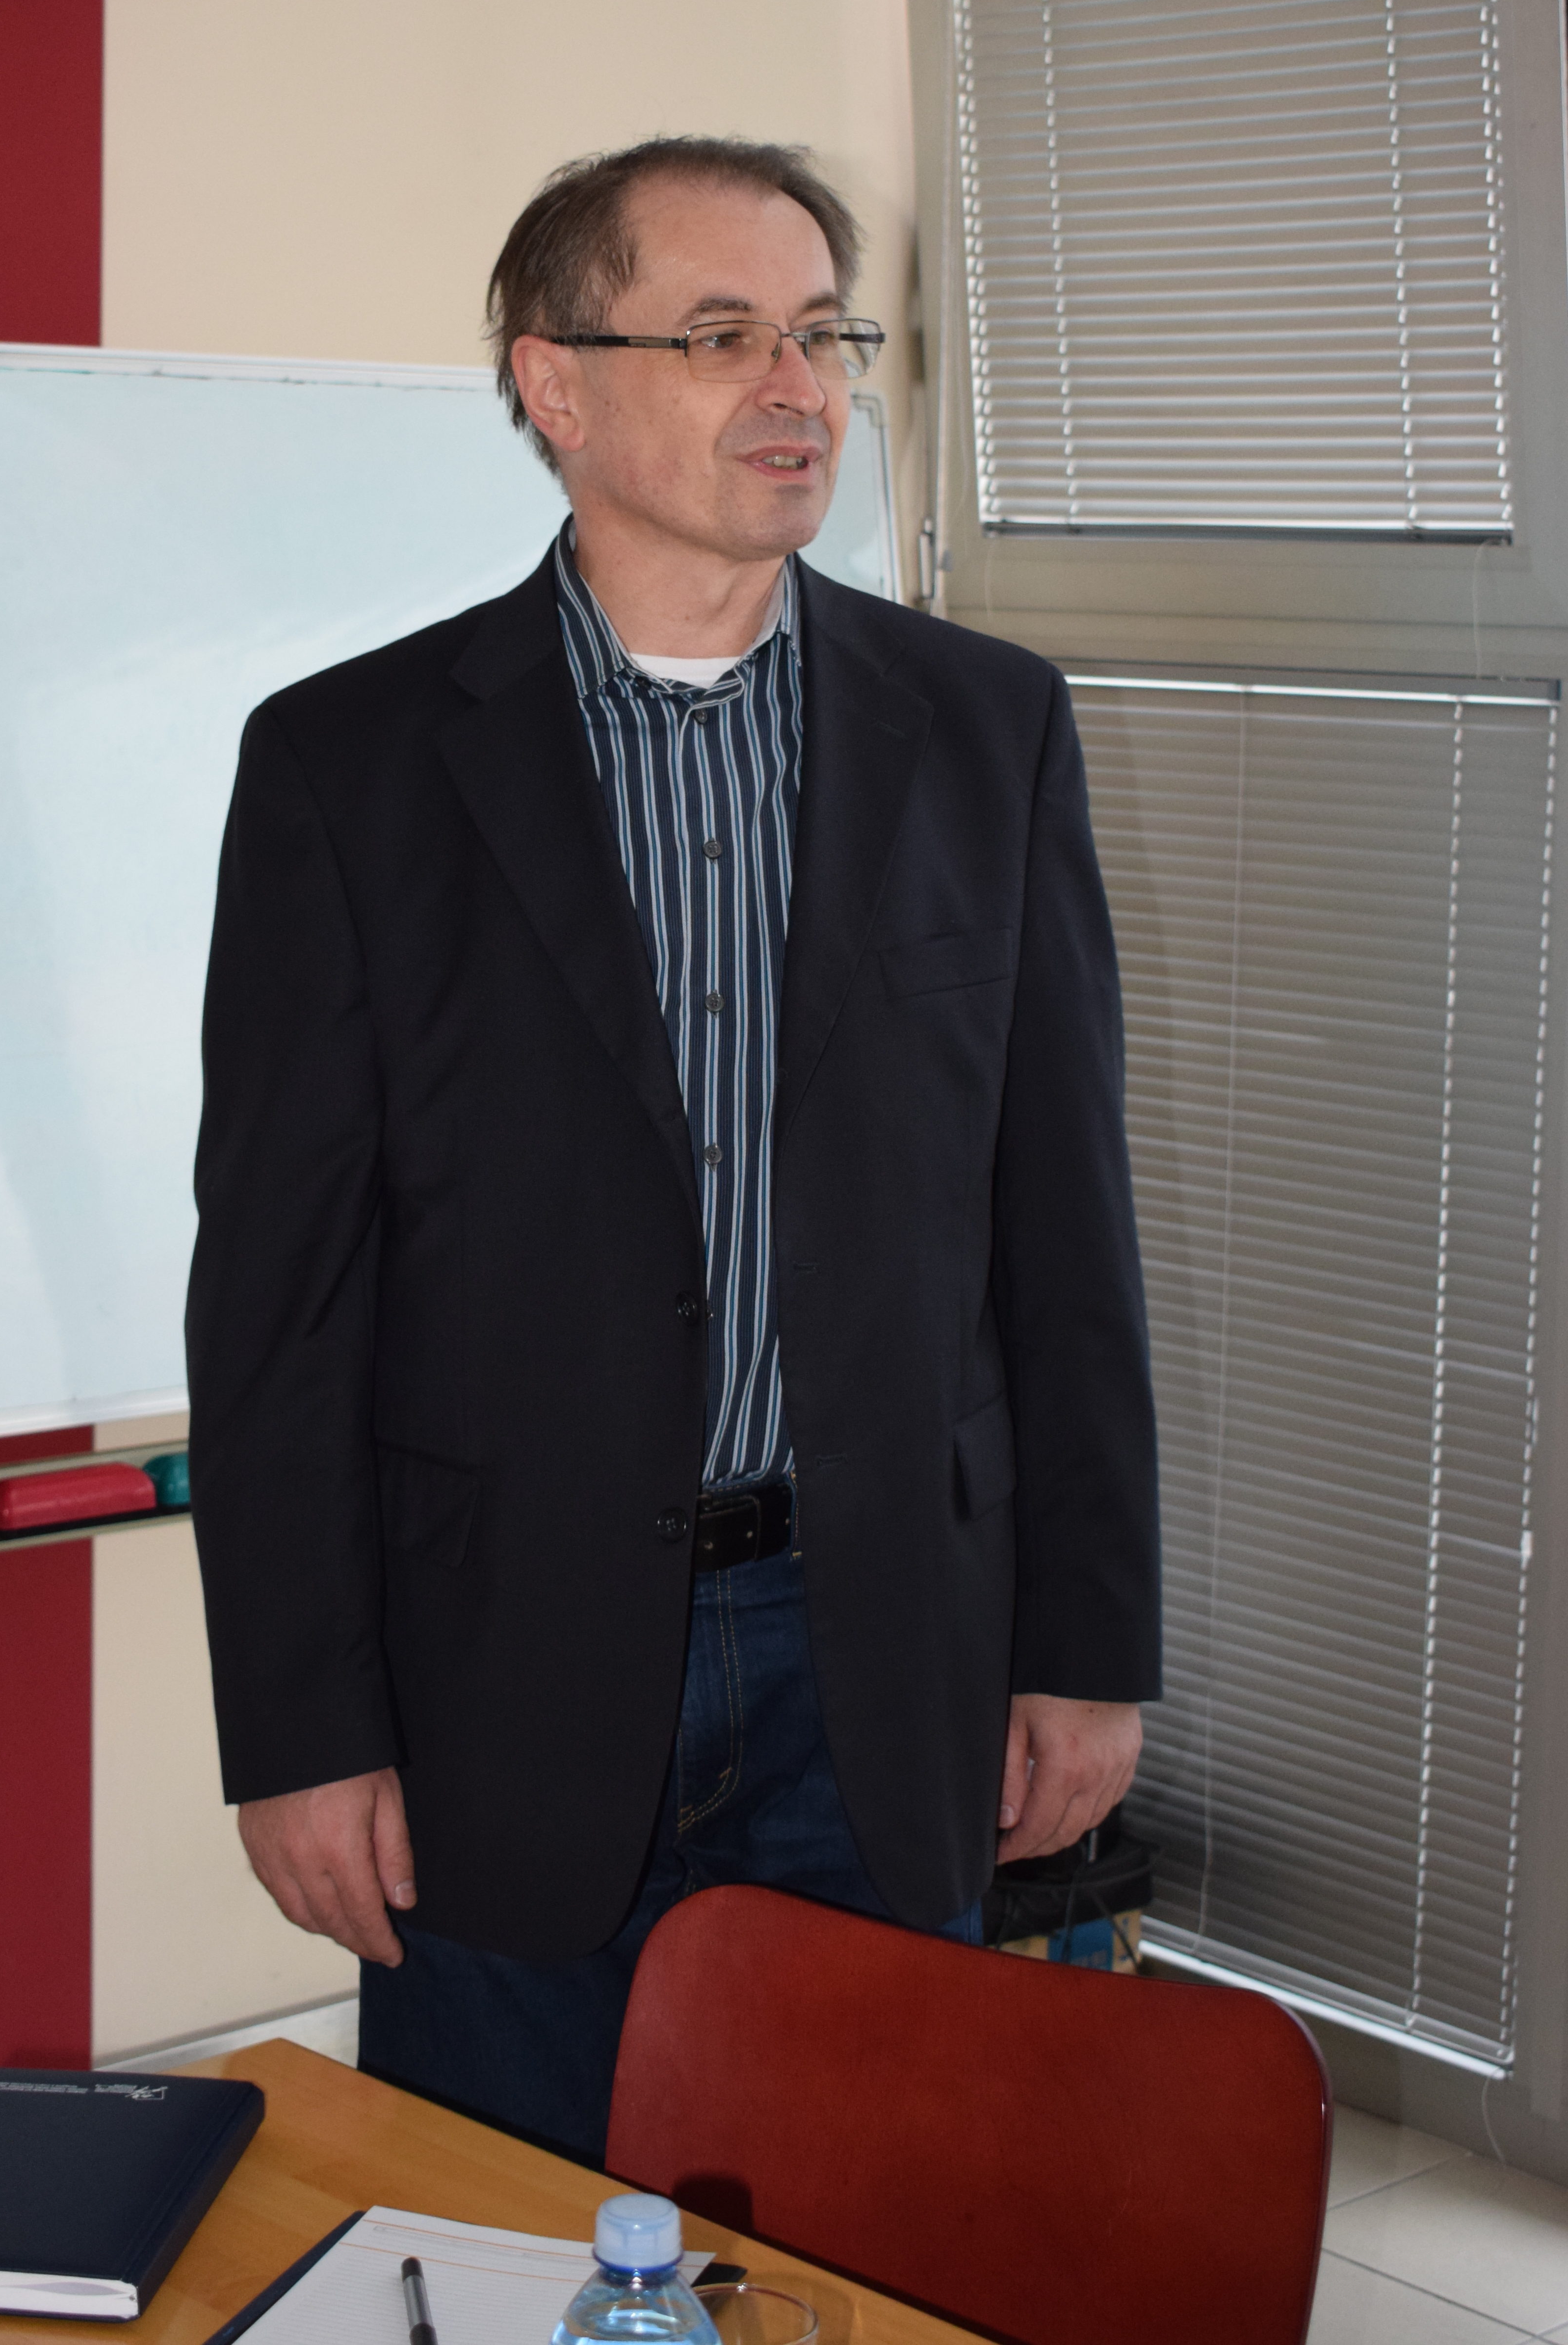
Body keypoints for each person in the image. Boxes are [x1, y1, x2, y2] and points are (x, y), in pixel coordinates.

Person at [186, 136, 1160, 2163]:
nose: (797, 388)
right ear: (555, 384)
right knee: (504, 2227)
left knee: (857, 2229)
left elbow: (1062, 1232)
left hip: (880, 1645)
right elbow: (280, 1300)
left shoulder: (985, 730)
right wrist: (298, 1728)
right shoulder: (351, 765)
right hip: (495, 1661)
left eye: (821, 334)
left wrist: (1086, 1648)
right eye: (721, 336)